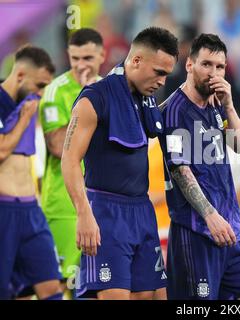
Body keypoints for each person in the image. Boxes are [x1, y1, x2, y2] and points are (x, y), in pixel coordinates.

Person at [61, 27, 178, 300]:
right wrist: (84, 214)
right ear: (136, 60)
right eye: (159, 72)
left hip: (142, 210)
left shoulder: (145, 99)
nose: (162, 81)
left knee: (154, 296)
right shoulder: (95, 98)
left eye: (166, 74)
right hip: (106, 213)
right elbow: (69, 160)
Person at [160, 33, 240, 300]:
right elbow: (179, 170)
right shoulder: (174, 111)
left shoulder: (217, 105)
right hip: (196, 233)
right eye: (206, 64)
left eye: (219, 67)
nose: (213, 73)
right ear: (189, 65)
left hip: (232, 231)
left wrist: (230, 106)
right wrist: (210, 216)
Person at [39, 28, 104, 290]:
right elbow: (57, 146)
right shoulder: (55, 91)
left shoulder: (109, 89)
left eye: (87, 58)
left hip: (101, 202)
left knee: (97, 284)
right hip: (64, 205)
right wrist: (87, 100)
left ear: (102, 55)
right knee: (64, 283)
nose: (80, 65)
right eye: (75, 58)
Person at [0, 45, 62, 300]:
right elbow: (1, 151)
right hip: (4, 212)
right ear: (21, 75)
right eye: (39, 85)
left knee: (51, 288)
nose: (41, 92)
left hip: (31, 211)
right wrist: (25, 119)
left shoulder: (30, 103)